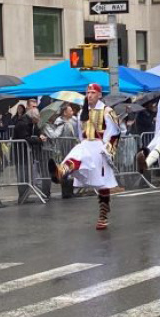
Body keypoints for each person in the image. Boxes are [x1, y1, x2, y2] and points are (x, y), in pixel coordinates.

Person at [49, 83, 119, 230]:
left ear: (99, 94)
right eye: (88, 92)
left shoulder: (107, 111)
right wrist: (84, 142)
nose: (90, 95)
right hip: (87, 144)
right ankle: (61, 171)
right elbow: (81, 134)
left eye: (93, 92)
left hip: (101, 148)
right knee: (77, 154)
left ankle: (103, 214)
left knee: (103, 184)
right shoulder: (83, 112)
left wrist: (108, 150)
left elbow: (115, 133)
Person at [43, 103, 80, 199]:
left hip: (70, 149)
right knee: (64, 170)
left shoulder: (72, 120)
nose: (72, 112)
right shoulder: (59, 122)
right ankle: (66, 192)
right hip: (62, 149)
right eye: (70, 110)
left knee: (70, 169)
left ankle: (70, 191)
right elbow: (56, 135)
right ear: (65, 112)